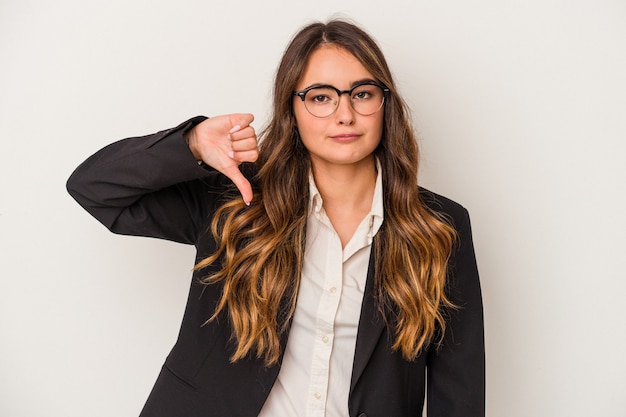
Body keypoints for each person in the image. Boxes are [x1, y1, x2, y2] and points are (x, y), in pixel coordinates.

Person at [67, 19, 484, 417]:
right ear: (293, 110)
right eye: (321, 96)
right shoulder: (236, 200)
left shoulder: (439, 226)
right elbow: (95, 188)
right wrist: (191, 144)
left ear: (385, 104)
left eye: (362, 93)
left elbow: (459, 392)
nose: (344, 114)